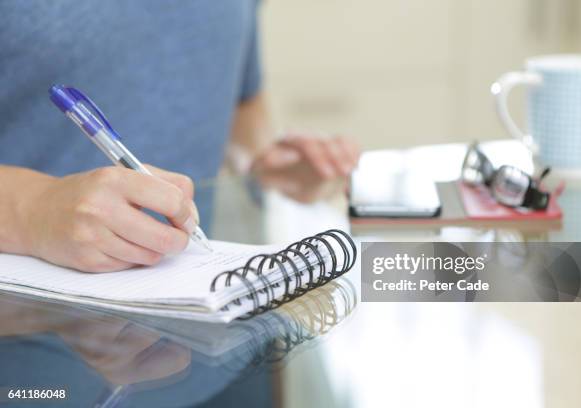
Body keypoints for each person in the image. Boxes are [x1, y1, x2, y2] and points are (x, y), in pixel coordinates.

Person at [0, 1, 360, 273]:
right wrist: (33, 210)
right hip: (29, 336)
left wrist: (264, 166)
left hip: (206, 314)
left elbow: (240, 105)